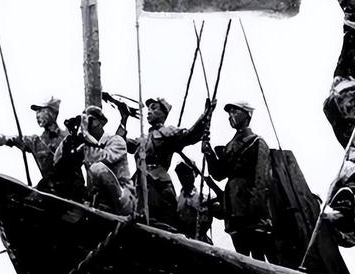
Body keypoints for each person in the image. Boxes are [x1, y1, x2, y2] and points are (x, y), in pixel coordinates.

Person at [0, 97, 83, 199]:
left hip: (74, 191)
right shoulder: (34, 141)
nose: (37, 115)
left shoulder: (69, 135)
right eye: (36, 111)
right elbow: (4, 139)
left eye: (41, 110)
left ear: (53, 113)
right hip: (51, 191)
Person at [116, 97, 215, 228]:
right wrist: (124, 118)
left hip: (158, 185)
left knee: (162, 223)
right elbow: (119, 144)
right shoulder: (142, 139)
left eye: (154, 108)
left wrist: (206, 114)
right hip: (139, 183)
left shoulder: (167, 132)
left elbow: (190, 135)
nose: (149, 111)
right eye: (148, 108)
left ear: (163, 114)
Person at [201, 101, 275, 262]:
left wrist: (258, 211)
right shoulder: (230, 146)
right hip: (233, 206)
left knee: (258, 256)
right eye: (229, 113)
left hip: (250, 207)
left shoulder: (257, 142)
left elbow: (262, 179)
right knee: (240, 256)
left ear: (247, 115)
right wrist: (208, 152)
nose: (230, 116)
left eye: (235, 112)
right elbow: (219, 174)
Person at [55, 106, 135, 216]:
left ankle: (115, 212)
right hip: (99, 197)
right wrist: (70, 140)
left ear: (101, 122)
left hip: (124, 198)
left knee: (97, 168)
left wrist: (85, 138)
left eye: (91, 120)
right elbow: (57, 161)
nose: (87, 124)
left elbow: (105, 157)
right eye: (84, 120)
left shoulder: (116, 140)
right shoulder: (86, 145)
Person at [175, 161, 215, 244]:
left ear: (195, 174)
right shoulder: (175, 201)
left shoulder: (206, 198)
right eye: (181, 174)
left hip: (201, 242)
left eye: (188, 173)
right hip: (182, 241)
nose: (185, 177)